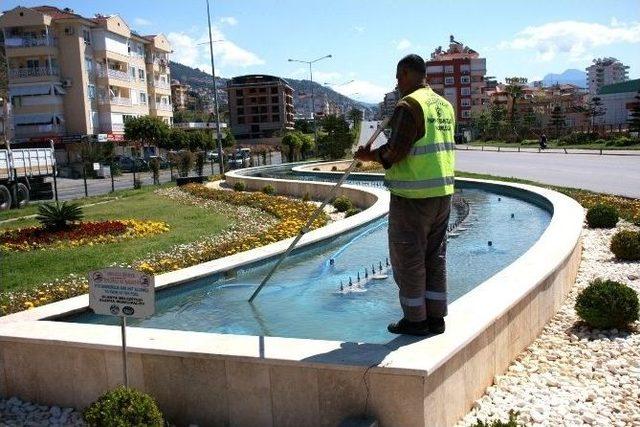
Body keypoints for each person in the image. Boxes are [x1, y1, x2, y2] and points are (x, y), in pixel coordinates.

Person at [355, 54, 455, 336]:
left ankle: (415, 320)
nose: (397, 82)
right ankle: (436, 318)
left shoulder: (409, 105)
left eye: (399, 76)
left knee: (408, 257)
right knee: (434, 256)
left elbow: (395, 152)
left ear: (409, 74)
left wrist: (367, 156)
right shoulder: (444, 106)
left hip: (413, 196)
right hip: (442, 193)